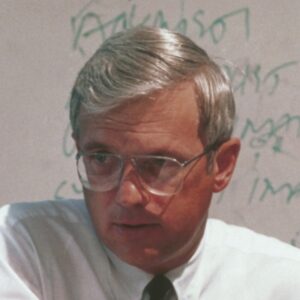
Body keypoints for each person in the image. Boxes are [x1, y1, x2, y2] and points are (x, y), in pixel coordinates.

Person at [0, 26, 300, 300]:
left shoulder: (284, 282)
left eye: (158, 163)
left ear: (221, 165)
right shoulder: (21, 249)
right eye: (101, 158)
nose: (127, 195)